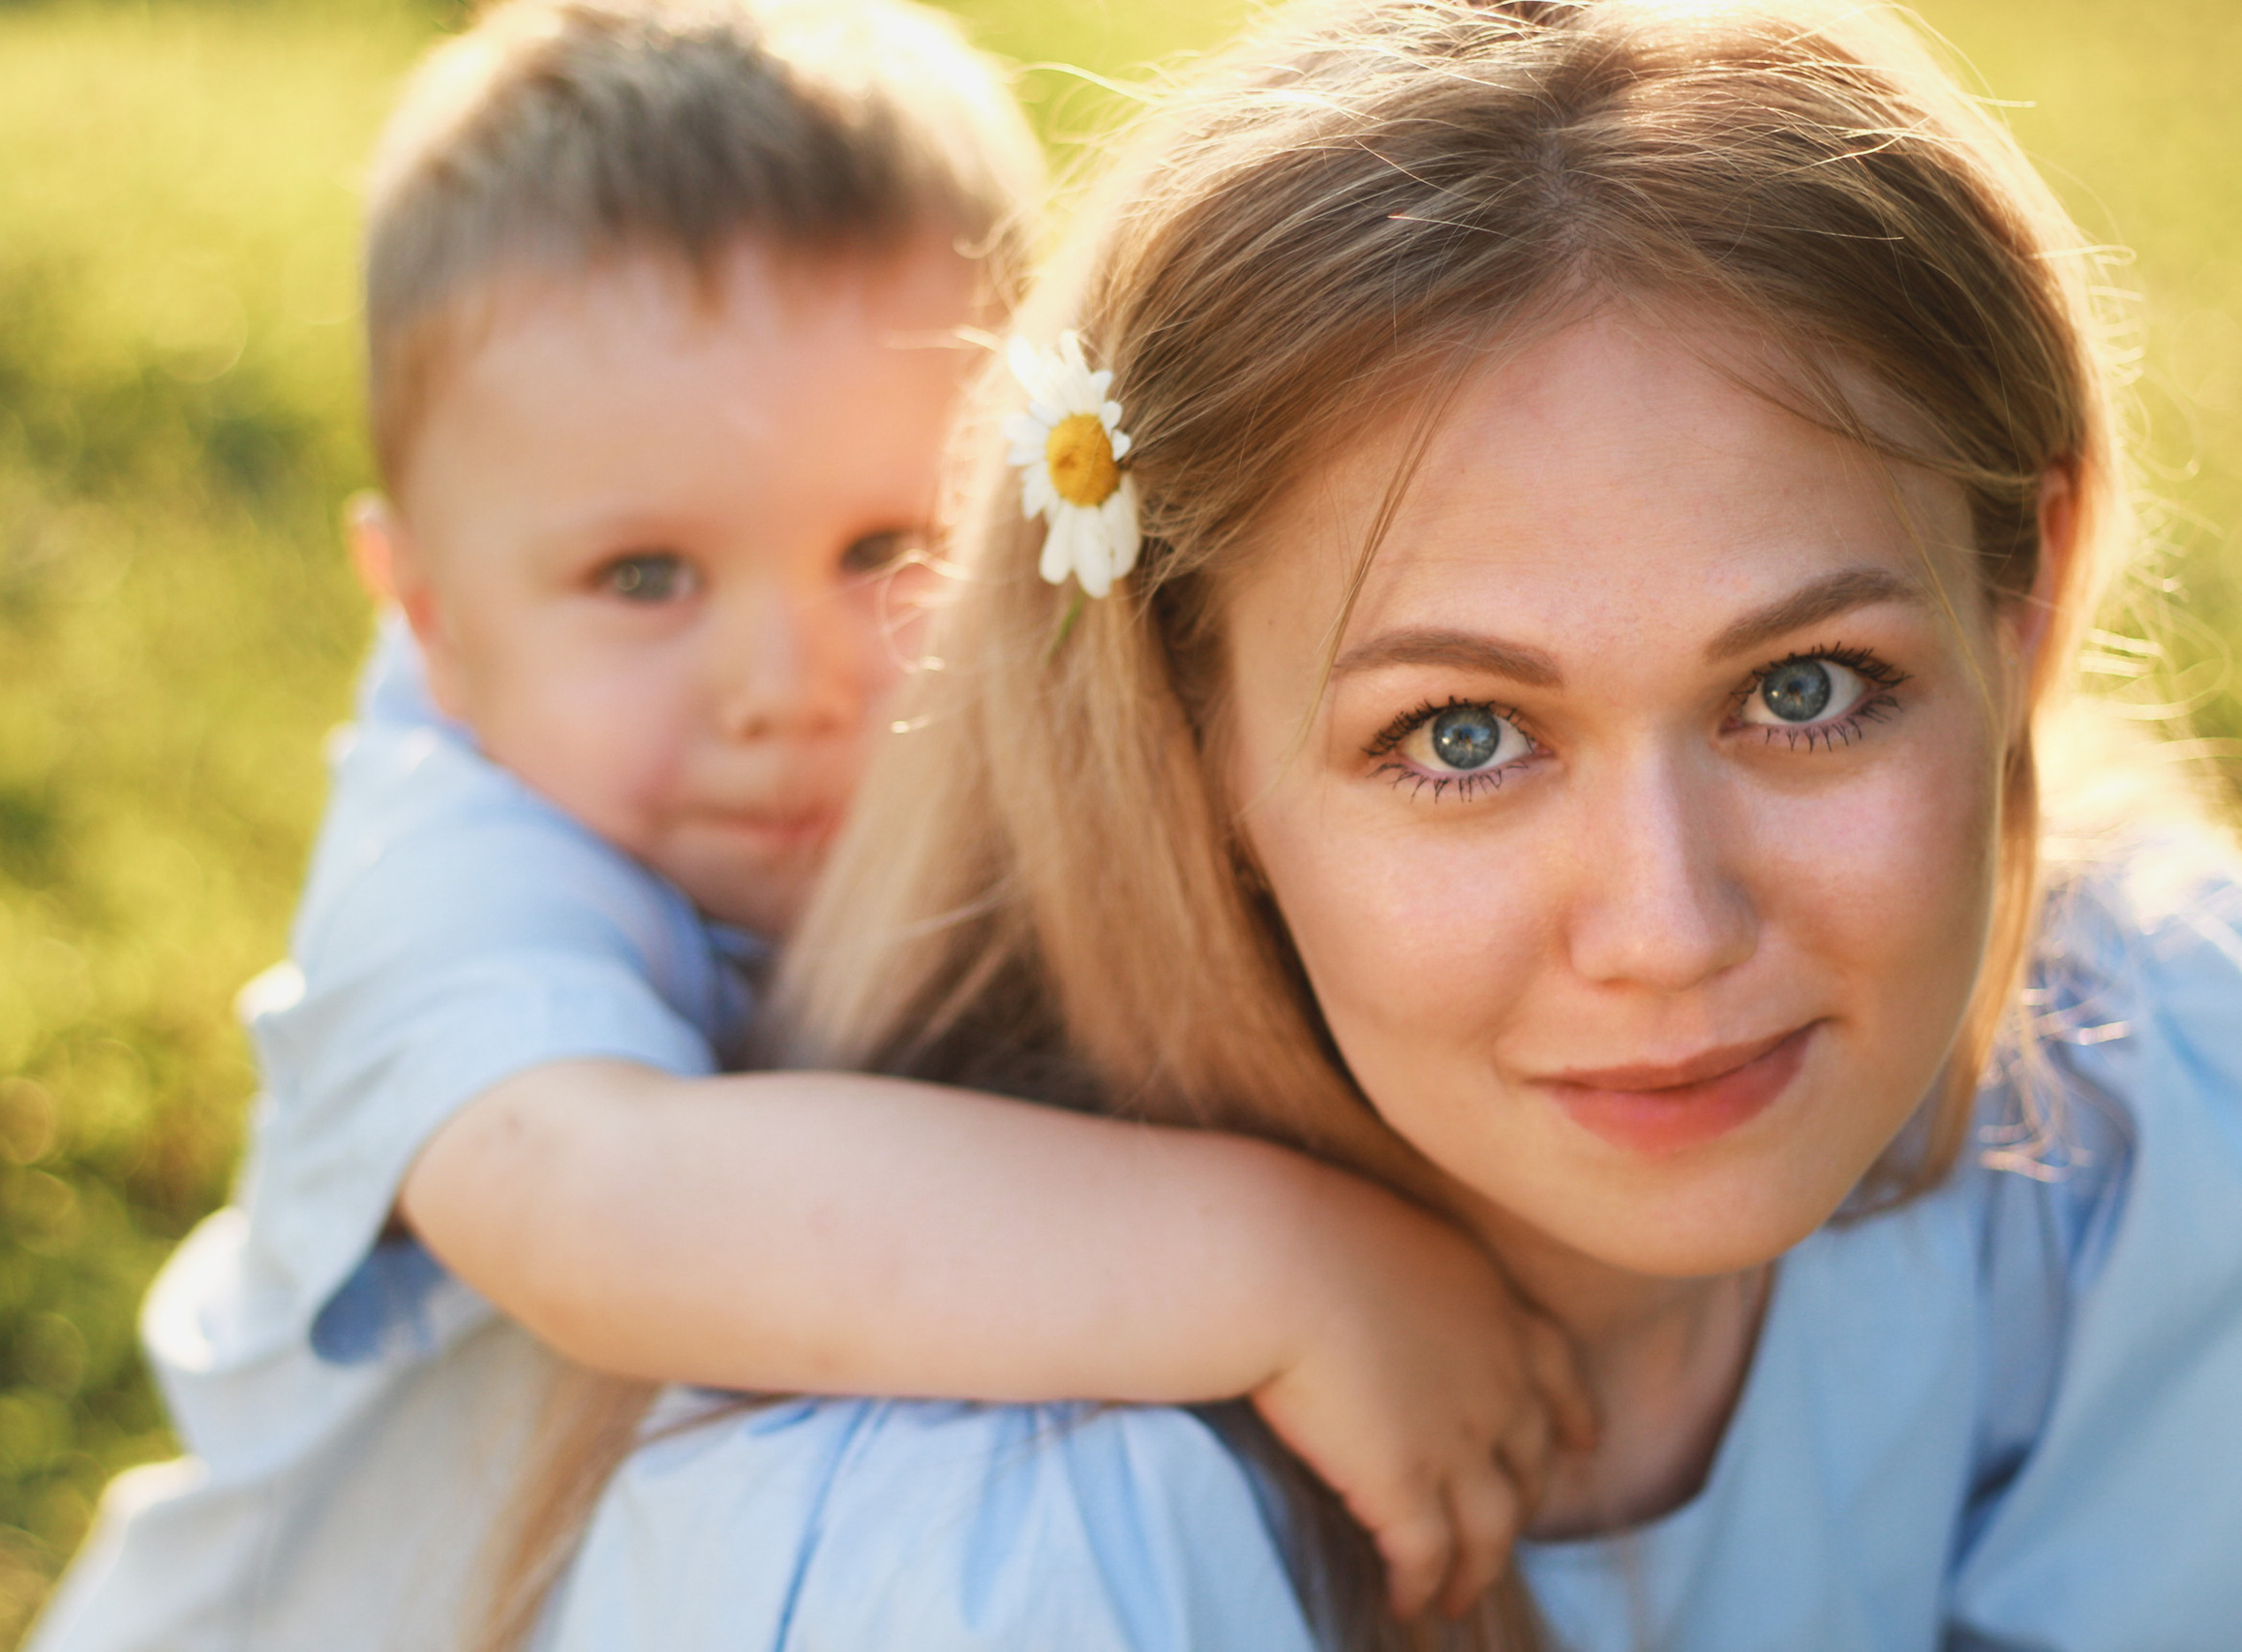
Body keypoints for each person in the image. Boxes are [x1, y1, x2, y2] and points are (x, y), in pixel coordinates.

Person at [490, 1, 2242, 1648]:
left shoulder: (2133, 1103)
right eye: (1461, 733)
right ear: (1192, 747)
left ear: (2026, 606)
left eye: (1803, 690)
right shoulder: (1001, 1565)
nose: (1669, 926)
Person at [27, 2, 1599, 1647]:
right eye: (644, 578)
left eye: (884, 548)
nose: (787, 687)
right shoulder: (446, 863)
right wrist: (1292, 1271)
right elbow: (598, 1203)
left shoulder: (1019, 723)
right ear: (426, 617)